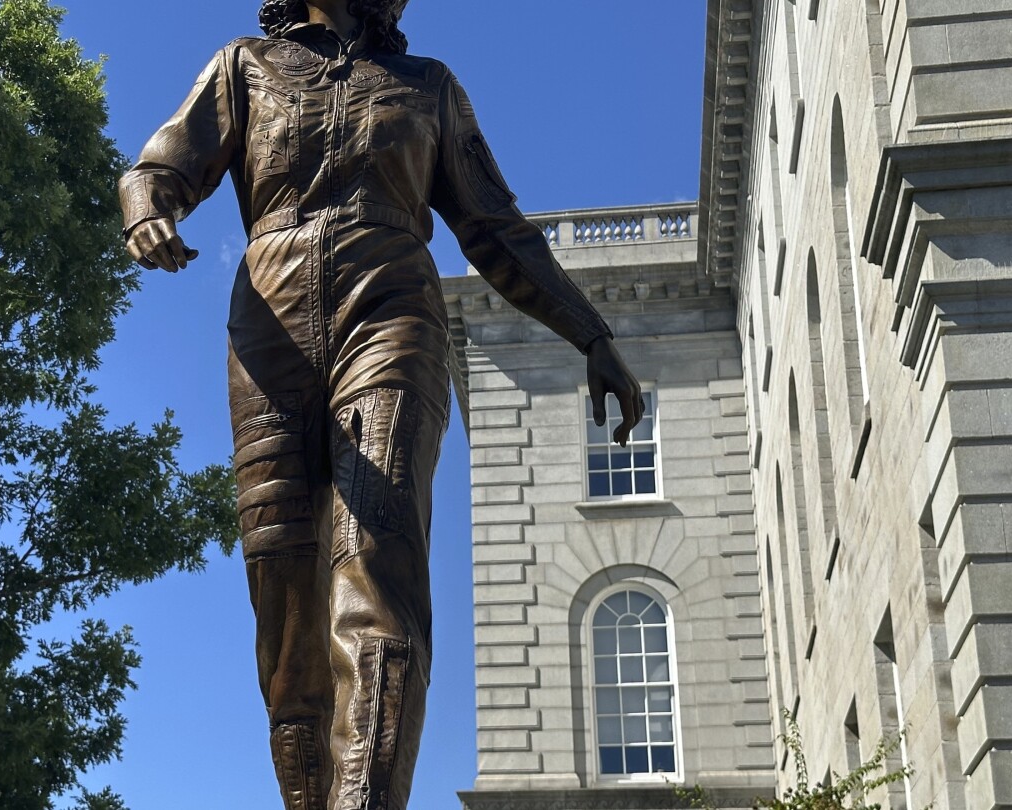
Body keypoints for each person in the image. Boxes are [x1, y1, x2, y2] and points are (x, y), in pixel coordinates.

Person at [119, 1, 644, 807]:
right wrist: (148, 209)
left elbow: (496, 227)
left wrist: (590, 333)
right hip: (269, 331)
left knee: (373, 564)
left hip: (391, 308)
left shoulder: (427, 87)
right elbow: (160, 165)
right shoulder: (244, 67)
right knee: (287, 617)